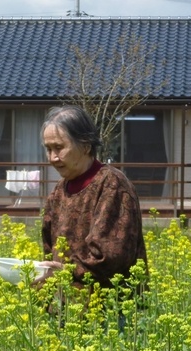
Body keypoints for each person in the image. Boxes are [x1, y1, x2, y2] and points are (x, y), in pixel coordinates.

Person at [37, 105, 148, 291]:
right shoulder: (58, 191)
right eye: (48, 149)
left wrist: (65, 271)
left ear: (86, 146)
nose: (53, 158)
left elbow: (111, 255)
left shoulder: (112, 184)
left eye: (59, 148)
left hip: (110, 309)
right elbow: (49, 251)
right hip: (67, 308)